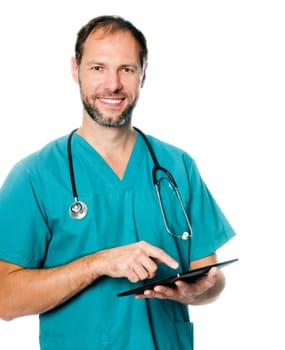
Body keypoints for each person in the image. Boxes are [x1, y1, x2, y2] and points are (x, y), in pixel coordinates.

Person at [0, 15, 236, 350]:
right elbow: (5, 299)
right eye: (98, 68)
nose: (113, 84)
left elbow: (210, 276)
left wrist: (200, 291)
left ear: (143, 75)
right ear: (75, 69)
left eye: (126, 69)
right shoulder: (34, 176)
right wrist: (98, 263)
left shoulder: (177, 167)